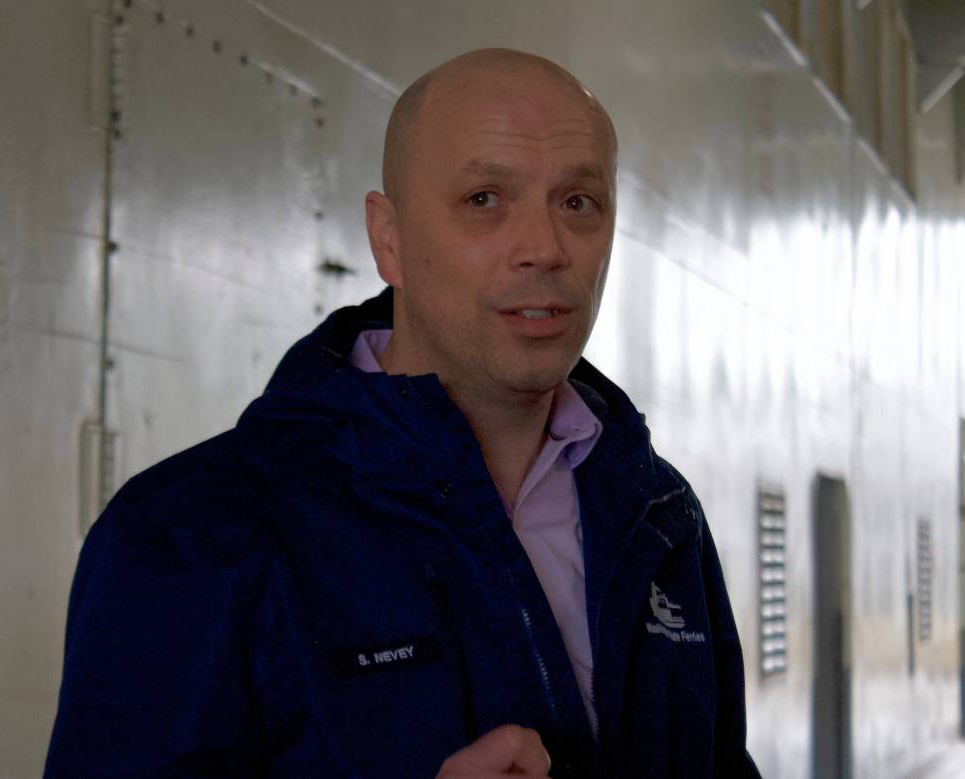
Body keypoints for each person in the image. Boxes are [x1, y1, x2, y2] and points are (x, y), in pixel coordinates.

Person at [45, 48, 761, 778]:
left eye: (578, 202)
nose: (545, 248)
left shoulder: (659, 515)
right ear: (389, 238)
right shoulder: (190, 533)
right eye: (484, 199)